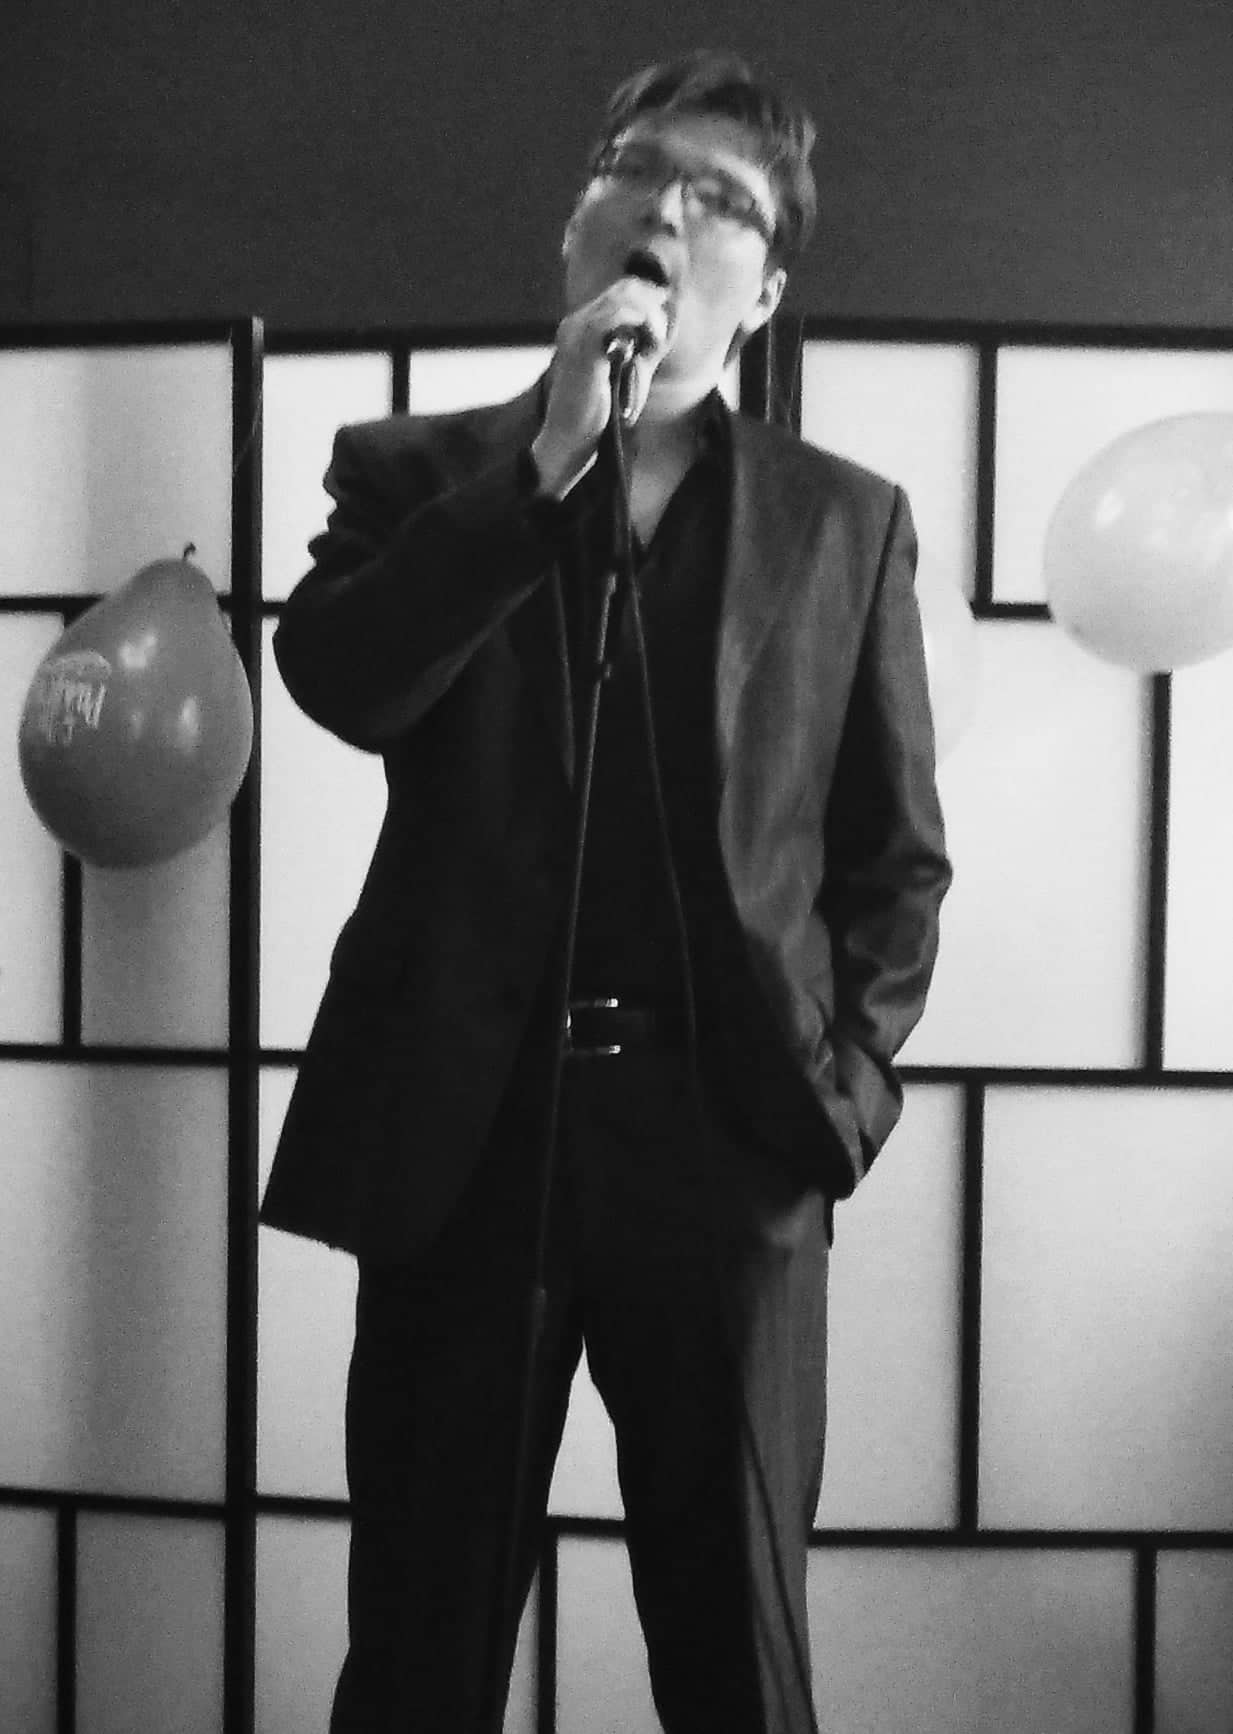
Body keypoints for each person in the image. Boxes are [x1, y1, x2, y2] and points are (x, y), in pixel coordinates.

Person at [260, 48, 951, 1734]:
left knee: (736, 1660)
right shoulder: (412, 470)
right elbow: (343, 678)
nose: (665, 209)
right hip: (468, 1135)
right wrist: (542, 471)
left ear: (764, 291)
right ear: (577, 222)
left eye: (719, 199)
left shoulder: (841, 523)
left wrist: (840, 1102)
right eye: (634, 170)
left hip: (726, 1148)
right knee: (417, 1652)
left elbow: (893, 855)